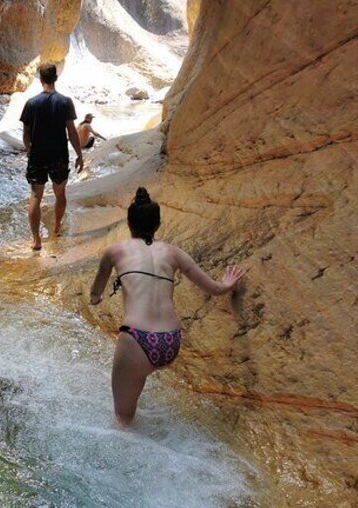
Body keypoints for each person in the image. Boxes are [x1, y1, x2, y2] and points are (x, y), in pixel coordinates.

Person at [89, 187, 246, 425]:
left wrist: (97, 298)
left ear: (129, 223)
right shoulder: (174, 253)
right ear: (158, 224)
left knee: (123, 417)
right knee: (139, 374)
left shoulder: (115, 251)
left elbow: (95, 294)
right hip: (170, 342)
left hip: (136, 338)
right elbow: (214, 289)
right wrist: (228, 283)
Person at [20, 62, 84, 250]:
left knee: (35, 196)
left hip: (38, 155)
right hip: (59, 155)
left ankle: (36, 240)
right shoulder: (65, 102)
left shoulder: (31, 103)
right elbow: (72, 132)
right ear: (55, 78)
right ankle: (56, 227)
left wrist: (29, 149)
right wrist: (79, 155)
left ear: (40, 79)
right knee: (60, 193)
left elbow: (26, 133)